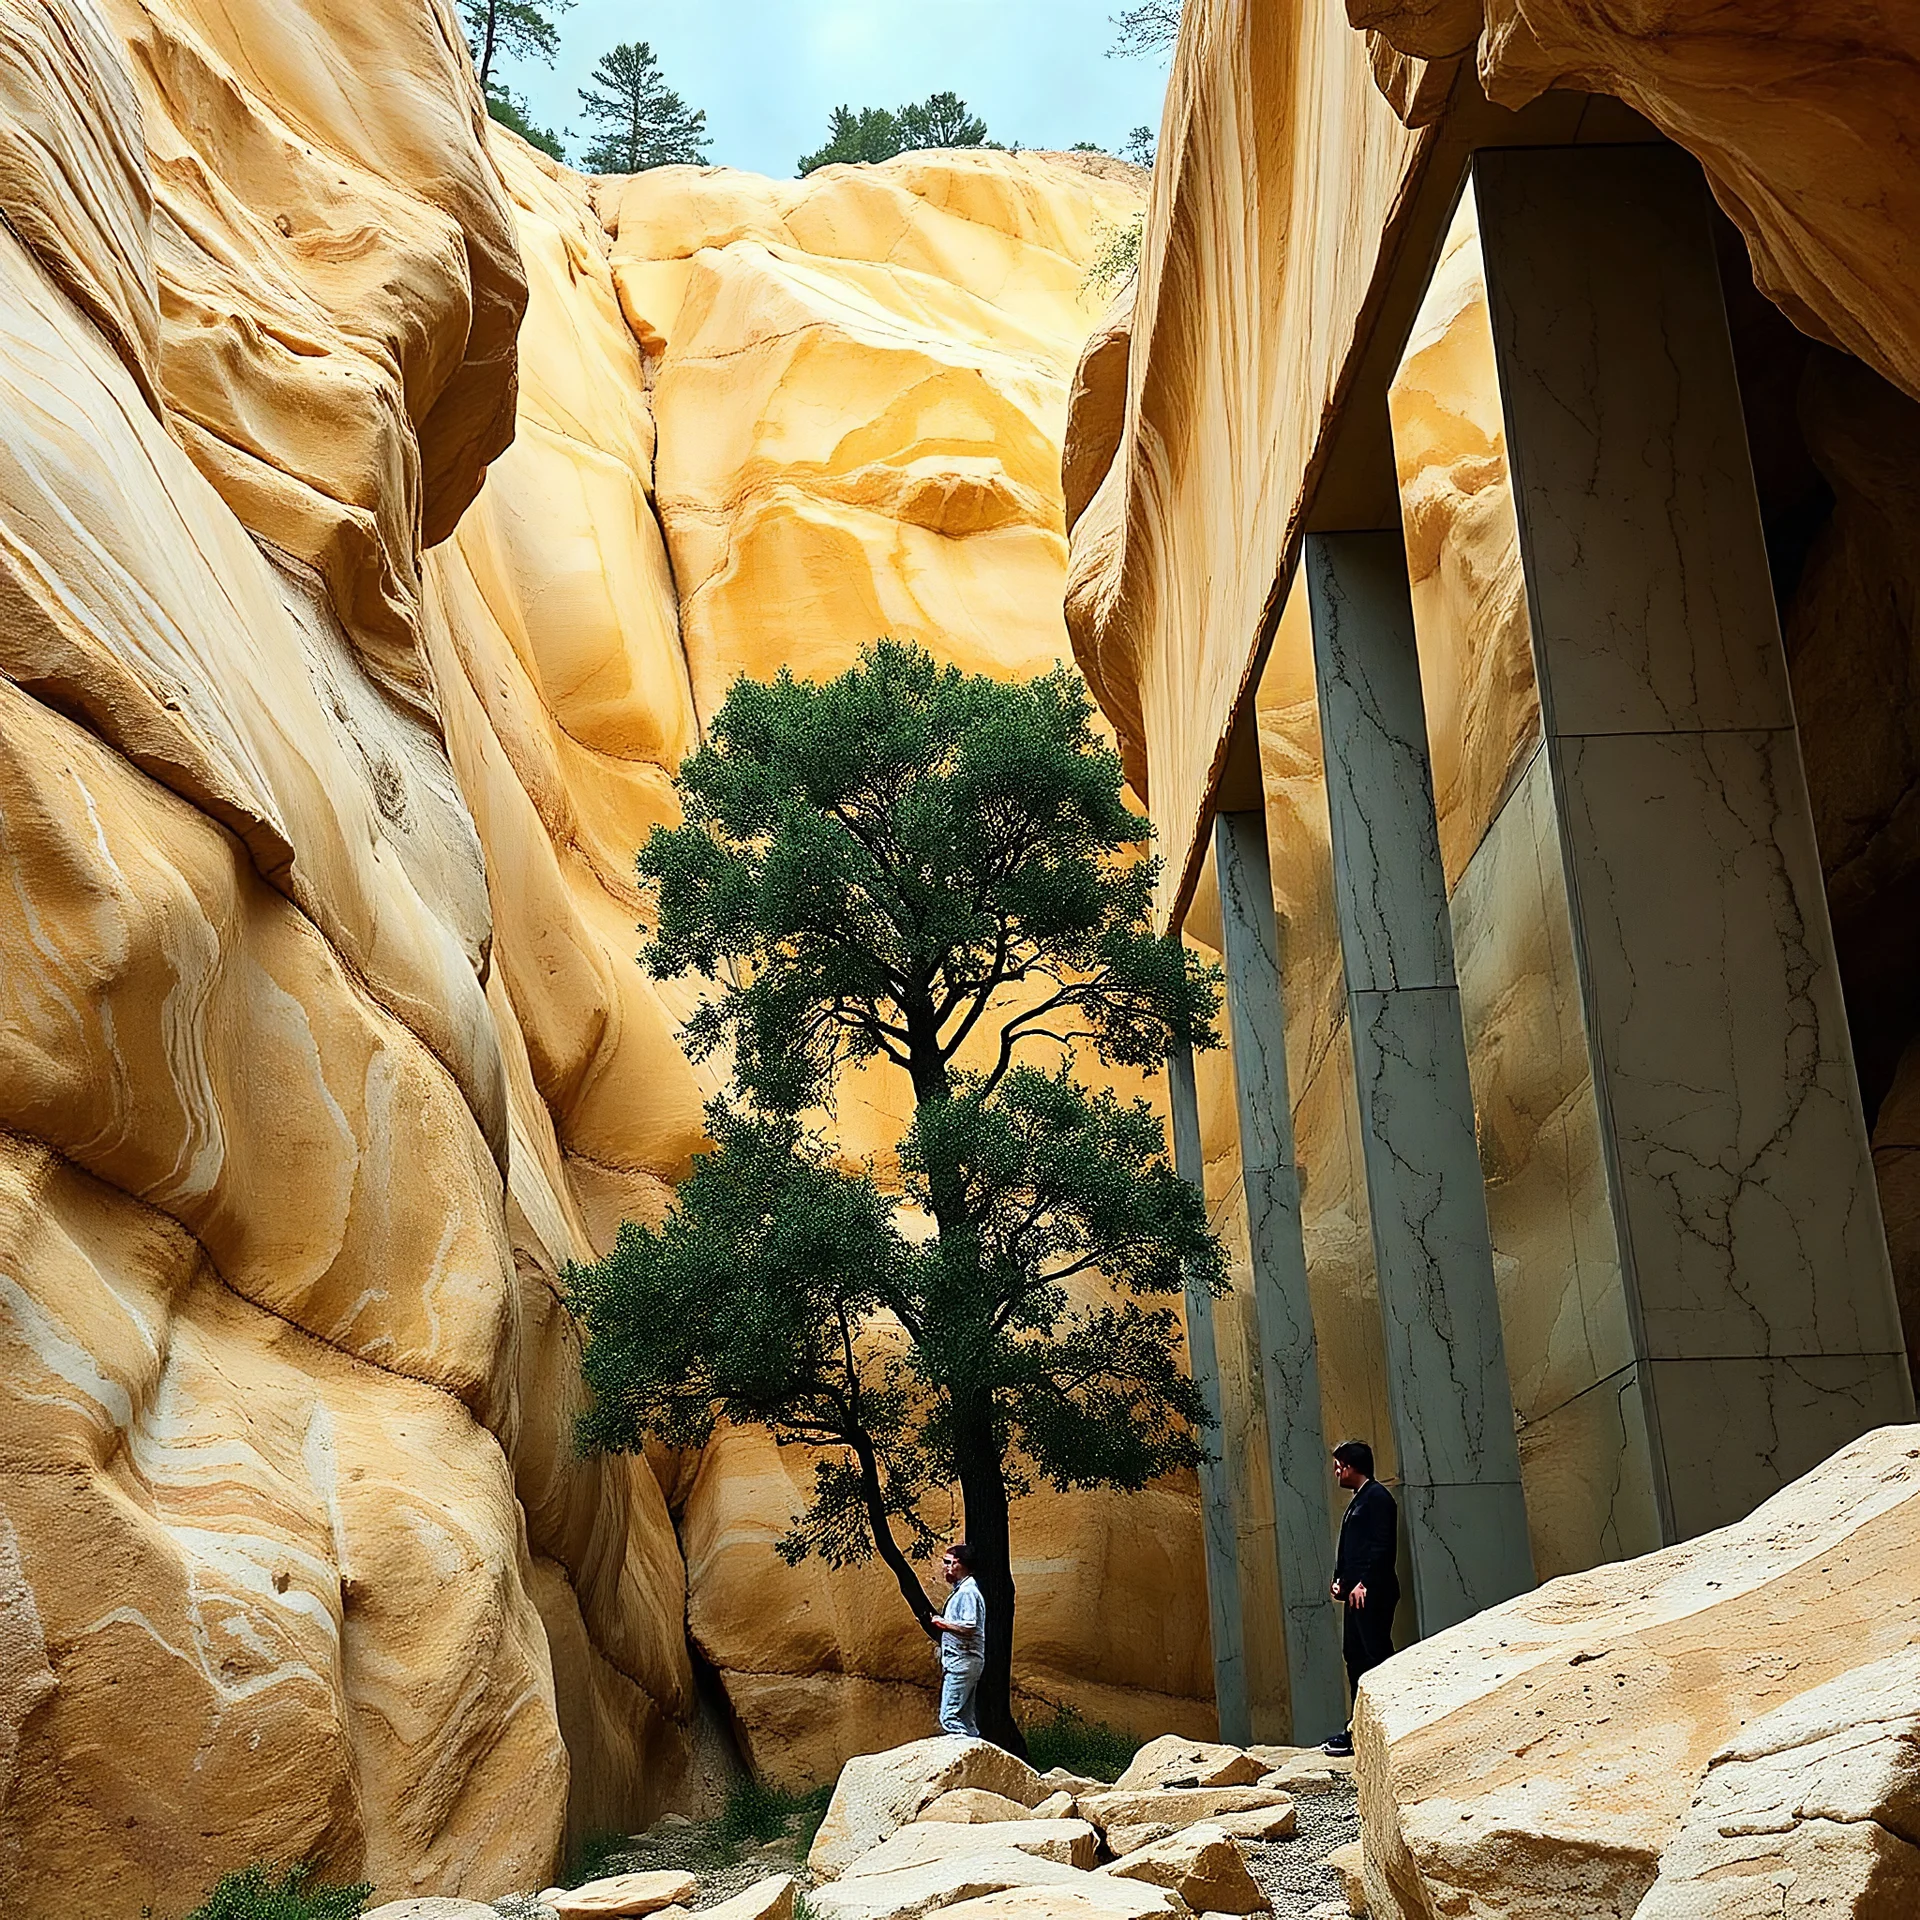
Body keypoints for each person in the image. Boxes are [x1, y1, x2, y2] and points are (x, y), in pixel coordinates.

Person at [1322, 1439, 1397, 1757]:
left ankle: (1384, 1727)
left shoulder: (1378, 1498)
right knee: (1355, 1657)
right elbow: (1351, 1548)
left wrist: (1364, 1582)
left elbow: (1382, 1545)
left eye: (1339, 1466)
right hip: (1356, 1596)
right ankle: (1358, 1728)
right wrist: (1341, 1580)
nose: (1336, 1472)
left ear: (1351, 1467)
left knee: (1375, 1657)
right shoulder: (1359, 1500)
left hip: (1373, 1594)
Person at [928, 1541, 986, 1737]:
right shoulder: (963, 1590)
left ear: (959, 1564)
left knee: (949, 1717)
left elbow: (970, 1626)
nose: (944, 1567)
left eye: (948, 1562)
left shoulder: (967, 1592)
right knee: (966, 1720)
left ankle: (959, 1760)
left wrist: (942, 1623)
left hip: (962, 1660)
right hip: (965, 1660)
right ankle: (976, 1757)